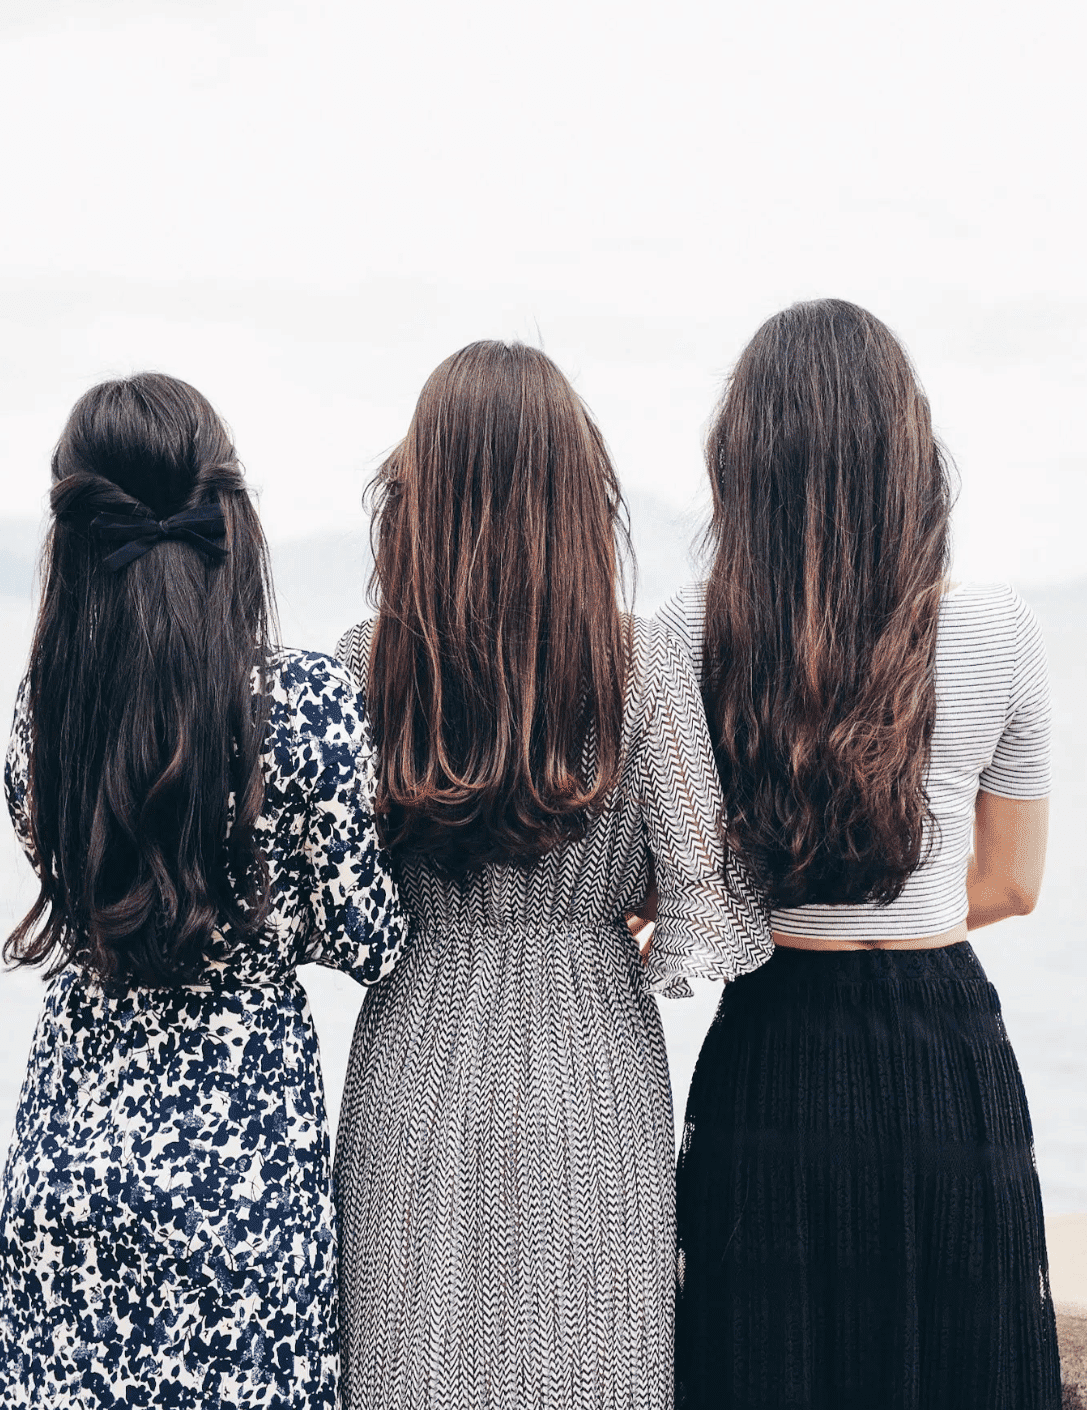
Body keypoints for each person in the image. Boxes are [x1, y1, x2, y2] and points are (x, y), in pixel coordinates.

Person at [331, 341, 770, 1410]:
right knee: (592, 1364)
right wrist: (610, 903)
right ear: (579, 490)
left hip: (415, 1042)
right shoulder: (641, 660)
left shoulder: (362, 663)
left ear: (419, 492)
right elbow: (712, 887)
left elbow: (332, 899)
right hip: (590, 1054)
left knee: (409, 1360)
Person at [0, 373, 406, 1410]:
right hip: (245, 1180)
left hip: (68, 1154)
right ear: (231, 523)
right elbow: (368, 938)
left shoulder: (48, 713)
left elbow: (74, 875)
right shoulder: (304, 705)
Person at [662, 300, 1061, 1410]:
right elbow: (1014, 883)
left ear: (743, 457)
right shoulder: (997, 629)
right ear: (909, 451)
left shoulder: (688, 633)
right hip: (945, 1046)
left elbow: (683, 879)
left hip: (775, 1040)